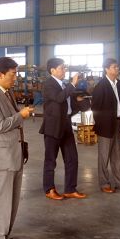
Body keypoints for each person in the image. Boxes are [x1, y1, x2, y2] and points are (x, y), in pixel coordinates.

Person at [0, 57, 34, 239]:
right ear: (1, 74)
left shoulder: (7, 93)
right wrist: (21, 116)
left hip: (15, 153)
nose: (15, 78)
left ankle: (5, 235)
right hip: (3, 156)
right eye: (13, 74)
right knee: (3, 199)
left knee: (13, 200)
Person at [40, 58, 88, 200]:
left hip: (66, 124)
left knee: (72, 158)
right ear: (52, 70)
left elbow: (69, 104)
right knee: (51, 160)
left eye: (65, 68)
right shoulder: (49, 84)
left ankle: (70, 189)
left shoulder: (64, 85)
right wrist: (72, 84)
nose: (64, 70)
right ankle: (49, 189)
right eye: (61, 68)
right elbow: (59, 98)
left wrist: (80, 101)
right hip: (53, 127)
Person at [91, 58, 120, 194]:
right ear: (106, 69)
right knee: (104, 156)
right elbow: (95, 107)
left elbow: (119, 104)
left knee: (117, 154)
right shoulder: (100, 86)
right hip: (105, 125)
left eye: (117, 67)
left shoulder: (119, 84)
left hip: (117, 122)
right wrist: (101, 124)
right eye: (114, 67)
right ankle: (104, 183)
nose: (117, 69)